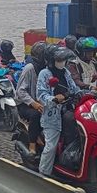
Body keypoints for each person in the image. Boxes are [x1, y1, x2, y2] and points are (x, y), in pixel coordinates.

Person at [36, 46, 80, 176]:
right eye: (59, 59)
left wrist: (90, 91)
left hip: (69, 109)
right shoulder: (44, 74)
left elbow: (74, 88)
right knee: (51, 147)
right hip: (52, 116)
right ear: (51, 60)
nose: (62, 62)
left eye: (63, 59)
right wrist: (54, 99)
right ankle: (43, 175)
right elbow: (41, 95)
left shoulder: (65, 72)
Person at [15, 42, 47, 158]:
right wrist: (33, 103)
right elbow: (20, 91)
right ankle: (32, 144)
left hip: (41, 102)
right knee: (35, 115)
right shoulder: (30, 68)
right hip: (25, 104)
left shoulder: (47, 69)